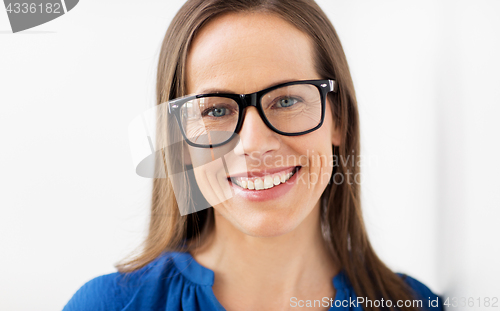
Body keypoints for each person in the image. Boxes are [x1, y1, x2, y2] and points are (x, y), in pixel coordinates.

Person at [63, 0, 443, 310]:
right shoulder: (107, 305)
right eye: (215, 110)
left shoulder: (412, 304)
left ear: (338, 118)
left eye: (288, 100)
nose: (255, 143)